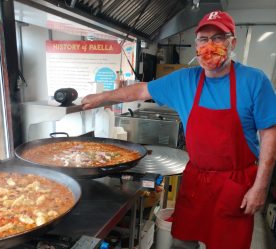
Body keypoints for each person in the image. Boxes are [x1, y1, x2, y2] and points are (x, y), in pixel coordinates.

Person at [82, 10, 276, 249]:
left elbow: (270, 136)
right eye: (203, 39)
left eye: (218, 38)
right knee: (182, 242)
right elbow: (140, 90)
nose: (210, 45)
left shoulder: (254, 81)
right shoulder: (186, 79)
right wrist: (102, 97)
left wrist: (260, 187)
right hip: (196, 182)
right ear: (196, 45)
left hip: (234, 184)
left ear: (232, 42)